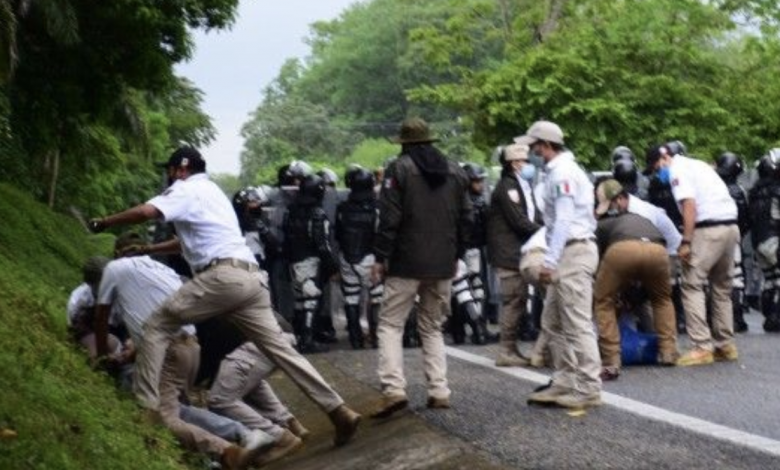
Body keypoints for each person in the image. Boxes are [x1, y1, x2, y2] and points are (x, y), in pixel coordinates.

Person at [88, 146, 360, 448]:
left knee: (156, 326)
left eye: (170, 170)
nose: (168, 176)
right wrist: (150, 250)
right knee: (283, 352)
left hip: (221, 278)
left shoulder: (185, 189)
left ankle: (147, 411)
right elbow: (188, 243)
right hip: (250, 279)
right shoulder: (213, 192)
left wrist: (106, 221)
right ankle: (339, 411)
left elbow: (147, 212)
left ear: (181, 168)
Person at [93, 233, 281, 469]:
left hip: (168, 349)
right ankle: (224, 447)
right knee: (181, 411)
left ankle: (228, 450)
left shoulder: (115, 268)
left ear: (117, 253)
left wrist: (101, 355)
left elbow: (101, 316)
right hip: (191, 346)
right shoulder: (161, 270)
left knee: (163, 417)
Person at [369, 117, 473, 418]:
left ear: (404, 143)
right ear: (429, 140)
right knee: (432, 327)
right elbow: (467, 217)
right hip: (443, 263)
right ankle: (439, 391)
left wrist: (380, 256)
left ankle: (393, 389)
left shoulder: (398, 169)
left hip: (406, 262)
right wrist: (457, 254)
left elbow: (389, 219)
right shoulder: (454, 170)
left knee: (390, 324)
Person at [516, 120, 602, 409]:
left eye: (533, 145)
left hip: (573, 251)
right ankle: (564, 380)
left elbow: (564, 219)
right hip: (568, 251)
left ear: (545, 145)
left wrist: (550, 261)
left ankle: (589, 387)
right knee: (552, 322)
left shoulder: (563, 173)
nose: (531, 151)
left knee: (577, 324)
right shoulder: (558, 171)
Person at [644, 143, 740, 366]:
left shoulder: (678, 170)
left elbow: (689, 205)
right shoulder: (699, 165)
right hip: (730, 227)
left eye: (657, 168)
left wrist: (686, 241)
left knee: (692, 285)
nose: (658, 174)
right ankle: (725, 343)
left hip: (707, 229)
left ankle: (701, 346)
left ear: (665, 157)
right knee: (722, 287)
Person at [593, 179, 680, 380]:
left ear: (621, 199)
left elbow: (598, 258)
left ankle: (611, 359)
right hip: (658, 250)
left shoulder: (604, 224)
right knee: (662, 299)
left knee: (603, 301)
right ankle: (668, 352)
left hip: (622, 250)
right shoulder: (647, 213)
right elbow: (670, 240)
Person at [486, 144, 543, 366]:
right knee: (513, 300)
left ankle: (512, 348)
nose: (528, 165)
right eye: (524, 161)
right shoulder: (507, 187)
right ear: (514, 164)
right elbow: (519, 220)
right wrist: (544, 232)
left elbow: (533, 214)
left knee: (519, 299)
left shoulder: (522, 185)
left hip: (519, 250)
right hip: (508, 252)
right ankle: (506, 351)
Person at [208, 340, 310, 447]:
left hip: (250, 347)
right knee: (248, 385)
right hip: (268, 342)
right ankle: (290, 424)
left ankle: (280, 437)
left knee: (220, 400)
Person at [283, 173, 339, 354]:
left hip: (294, 262)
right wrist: (332, 265)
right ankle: (307, 340)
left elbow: (286, 239)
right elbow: (323, 243)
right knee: (310, 302)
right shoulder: (317, 213)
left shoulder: (290, 211)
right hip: (310, 261)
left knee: (300, 301)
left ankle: (300, 338)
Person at [449, 162, 498, 345]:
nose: (480, 184)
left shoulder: (458, 201)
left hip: (466, 251)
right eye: (477, 181)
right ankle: (477, 329)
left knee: (464, 291)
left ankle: (463, 330)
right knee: (472, 290)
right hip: (470, 250)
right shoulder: (474, 202)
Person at [335, 166, 383, 349]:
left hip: (347, 257)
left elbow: (338, 234)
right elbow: (380, 234)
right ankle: (376, 336)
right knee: (376, 296)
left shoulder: (342, 208)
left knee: (351, 298)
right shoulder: (376, 208)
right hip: (370, 257)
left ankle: (355, 339)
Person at [715, 152, 750, 333]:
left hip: (712, 235)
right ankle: (737, 318)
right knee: (736, 278)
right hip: (733, 235)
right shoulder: (739, 191)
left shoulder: (711, 188)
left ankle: (715, 319)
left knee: (712, 279)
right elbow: (745, 218)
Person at [66, 256, 121, 362]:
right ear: (91, 283)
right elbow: (75, 329)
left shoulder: (120, 294)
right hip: (89, 332)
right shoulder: (80, 300)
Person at [749, 151, 780, 331]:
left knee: (770, 279)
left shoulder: (755, 191)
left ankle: (769, 316)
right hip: (774, 239)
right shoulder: (776, 189)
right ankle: (775, 316)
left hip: (758, 240)